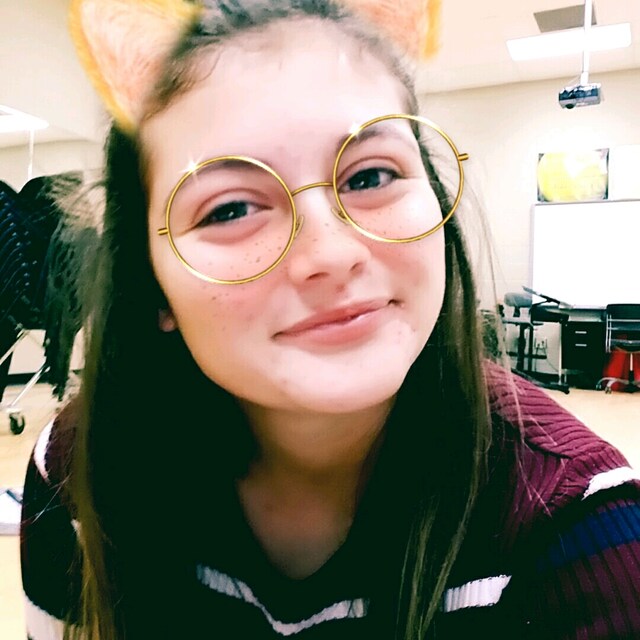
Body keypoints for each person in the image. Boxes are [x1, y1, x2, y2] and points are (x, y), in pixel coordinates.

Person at [19, 1, 640, 638]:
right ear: (150, 284)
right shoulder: (80, 475)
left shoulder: (580, 526)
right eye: (231, 210)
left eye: (371, 176)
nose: (332, 254)